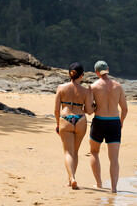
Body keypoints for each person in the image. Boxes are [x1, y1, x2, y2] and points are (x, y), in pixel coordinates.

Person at [89, 60, 128, 193]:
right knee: (114, 158)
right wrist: (121, 121)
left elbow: (89, 110)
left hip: (99, 121)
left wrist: (94, 107)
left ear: (96, 72)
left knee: (94, 152)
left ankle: (99, 183)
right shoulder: (118, 86)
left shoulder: (93, 87)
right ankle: (114, 188)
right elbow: (125, 108)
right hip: (114, 122)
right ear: (108, 69)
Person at [54, 62, 93, 190]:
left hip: (65, 118)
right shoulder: (85, 91)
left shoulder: (61, 88)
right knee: (75, 152)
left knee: (67, 152)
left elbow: (56, 110)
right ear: (81, 75)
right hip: (80, 119)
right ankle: (71, 179)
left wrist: (58, 123)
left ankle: (72, 179)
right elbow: (89, 110)